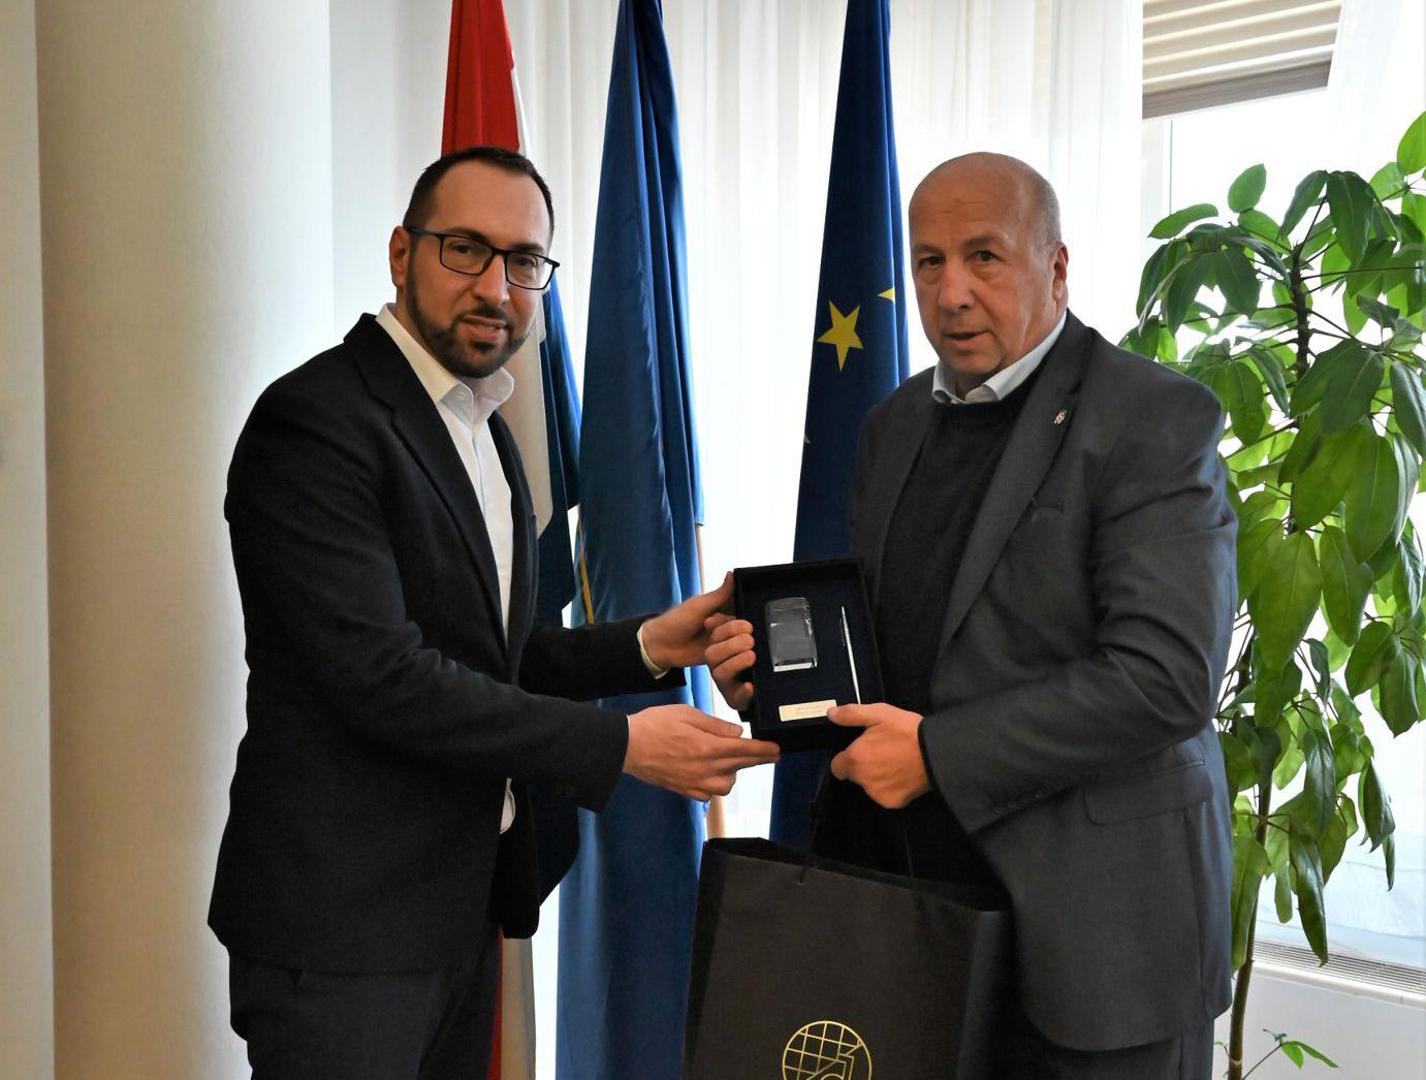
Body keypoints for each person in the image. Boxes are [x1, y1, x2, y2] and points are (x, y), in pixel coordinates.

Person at [209, 144, 779, 1079]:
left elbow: (488, 655)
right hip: (340, 929)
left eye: (523, 261)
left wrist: (647, 644)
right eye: (466, 249)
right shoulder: (315, 421)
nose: (496, 287)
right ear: (402, 254)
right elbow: (384, 680)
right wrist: (621, 746)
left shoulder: (481, 426)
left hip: (456, 910)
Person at [708, 152, 1235, 1078]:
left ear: (1056, 267)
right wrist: (781, 682)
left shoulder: (1154, 417)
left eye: (983, 257)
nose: (951, 292)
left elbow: (1167, 678)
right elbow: (894, 640)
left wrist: (938, 755)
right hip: (909, 921)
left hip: (1098, 946)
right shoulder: (894, 424)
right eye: (929, 261)